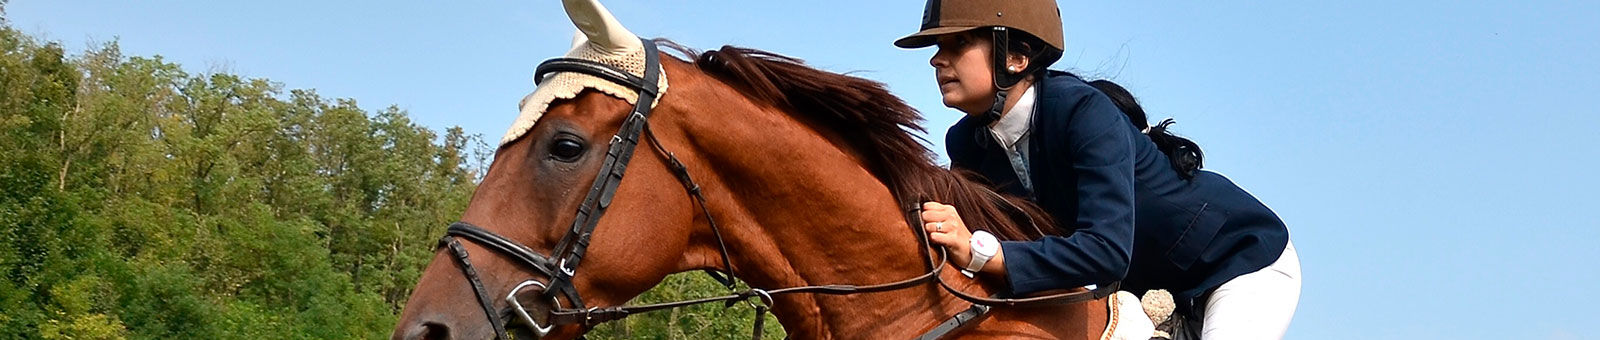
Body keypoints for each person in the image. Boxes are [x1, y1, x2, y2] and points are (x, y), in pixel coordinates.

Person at [894, 1, 1300, 338]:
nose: (937, 59)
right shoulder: (966, 142)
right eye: (937, 46)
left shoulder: (1083, 112)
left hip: (1236, 262)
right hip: (1142, 289)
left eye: (958, 43)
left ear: (1016, 57)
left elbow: (1105, 252)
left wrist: (986, 253)